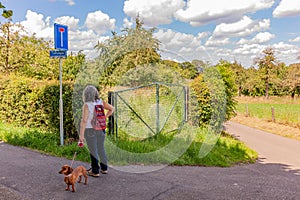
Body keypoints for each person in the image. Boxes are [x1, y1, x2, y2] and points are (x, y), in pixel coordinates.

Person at [79, 85, 114, 177]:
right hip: (101, 128)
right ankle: (104, 168)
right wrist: (104, 117)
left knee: (93, 150)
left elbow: (84, 121)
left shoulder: (87, 105)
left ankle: (95, 171)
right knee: (101, 148)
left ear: (86, 95)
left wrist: (81, 136)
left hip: (90, 130)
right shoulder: (101, 102)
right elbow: (112, 109)